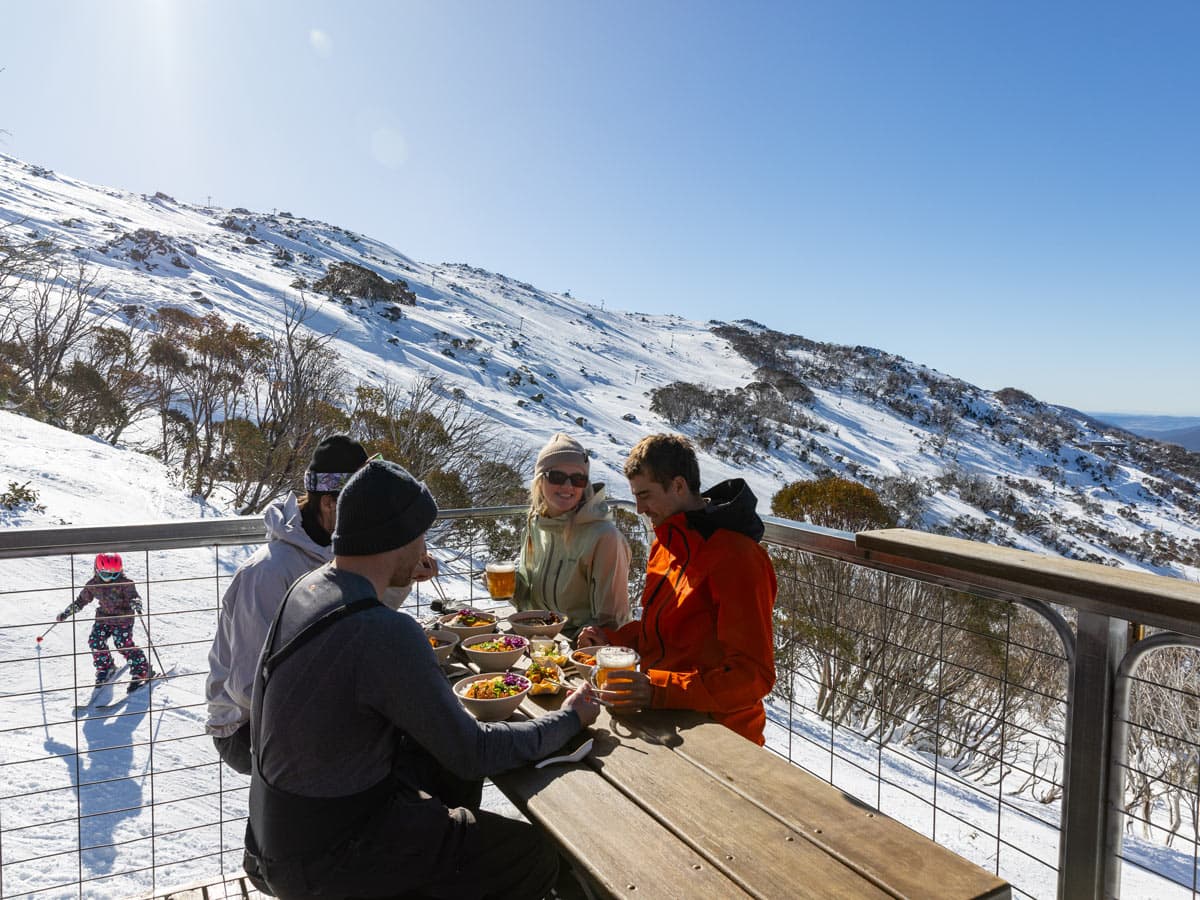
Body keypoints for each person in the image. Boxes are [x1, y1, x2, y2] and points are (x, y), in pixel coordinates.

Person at [246, 458, 600, 899]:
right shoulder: (379, 629)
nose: (423, 547)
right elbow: (474, 750)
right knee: (528, 854)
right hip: (328, 856)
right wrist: (569, 720)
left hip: (276, 835)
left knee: (447, 772)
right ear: (397, 537)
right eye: (420, 534)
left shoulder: (310, 589)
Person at [206, 435, 439, 775]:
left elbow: (364, 619)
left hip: (312, 696)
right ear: (329, 504)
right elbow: (246, 689)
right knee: (398, 744)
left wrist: (400, 579)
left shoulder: (341, 544)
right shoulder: (269, 572)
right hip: (246, 725)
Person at [577, 433, 777, 745]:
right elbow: (663, 632)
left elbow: (753, 676)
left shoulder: (738, 557)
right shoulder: (667, 543)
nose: (639, 508)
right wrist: (610, 641)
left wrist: (658, 689)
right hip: (666, 718)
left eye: (645, 495)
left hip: (722, 734)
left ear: (679, 486)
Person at [512, 432, 631, 640]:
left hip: (579, 648)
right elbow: (529, 592)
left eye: (578, 479)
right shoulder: (536, 523)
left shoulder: (604, 537)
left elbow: (612, 621)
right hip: (537, 636)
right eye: (557, 477)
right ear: (540, 480)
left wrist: (586, 639)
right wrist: (508, 584)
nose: (568, 486)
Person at [56, 553, 153, 693]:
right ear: (97, 570)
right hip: (103, 619)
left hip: (122, 619)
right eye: (106, 574)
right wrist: (67, 613)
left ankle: (141, 670)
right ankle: (106, 667)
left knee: (123, 644)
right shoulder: (93, 585)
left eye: (114, 574)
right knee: (95, 641)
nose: (110, 578)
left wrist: (135, 603)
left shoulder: (125, 583)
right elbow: (81, 601)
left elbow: (134, 596)